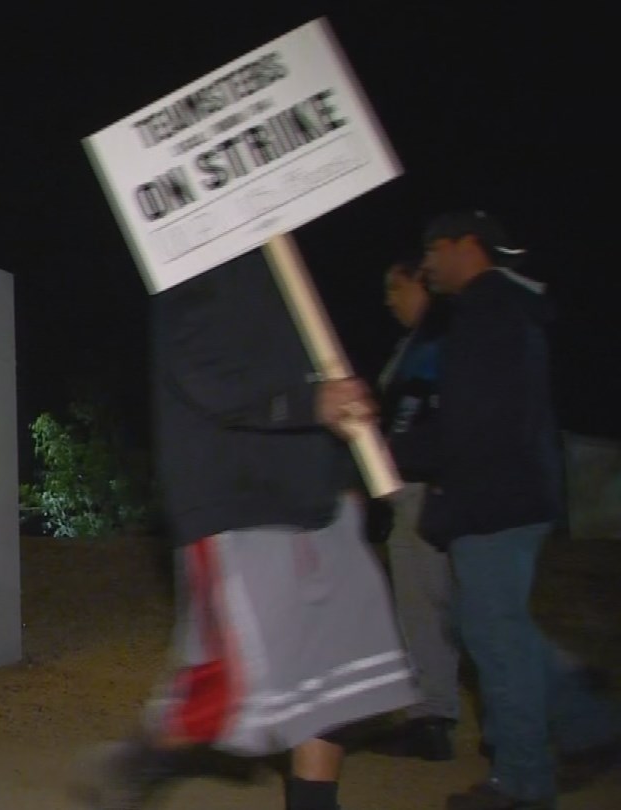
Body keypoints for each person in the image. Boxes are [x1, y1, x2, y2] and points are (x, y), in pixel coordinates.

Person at [72, 249, 420, 810]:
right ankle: (137, 766)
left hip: (318, 499)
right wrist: (312, 402)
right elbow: (204, 377)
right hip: (236, 503)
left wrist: (344, 469)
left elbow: (313, 375)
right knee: (228, 683)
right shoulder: (194, 259)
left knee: (337, 675)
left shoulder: (286, 264)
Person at [395, 210, 620, 810]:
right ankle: (591, 727)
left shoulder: (486, 316)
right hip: (513, 493)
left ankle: (522, 782)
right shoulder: (502, 311)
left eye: (432, 249)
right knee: (500, 626)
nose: (426, 265)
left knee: (493, 633)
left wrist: (396, 450)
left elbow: (472, 424)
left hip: (492, 496)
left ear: (468, 246)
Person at [370, 259, 460, 761]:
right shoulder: (421, 342)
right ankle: (431, 711)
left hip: (428, 487)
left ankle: (431, 716)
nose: (389, 299)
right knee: (441, 604)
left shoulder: (437, 343)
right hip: (417, 486)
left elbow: (426, 419)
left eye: (395, 287)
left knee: (430, 604)